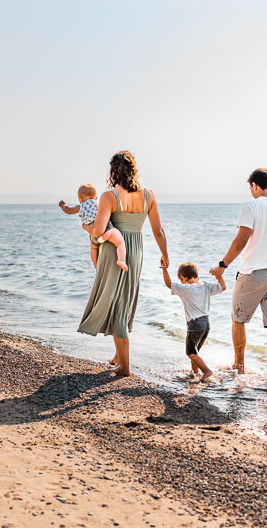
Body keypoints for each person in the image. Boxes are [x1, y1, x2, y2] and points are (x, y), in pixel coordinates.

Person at [78, 151, 169, 376]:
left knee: (116, 304)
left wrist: (87, 229)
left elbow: (99, 230)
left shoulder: (109, 196)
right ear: (134, 170)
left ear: (113, 171)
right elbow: (158, 231)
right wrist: (166, 256)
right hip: (136, 251)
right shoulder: (149, 195)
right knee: (124, 301)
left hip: (114, 251)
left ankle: (125, 367)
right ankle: (119, 356)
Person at [210, 168, 267, 381]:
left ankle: (239, 367)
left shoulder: (251, 206)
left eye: (250, 187)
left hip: (252, 274)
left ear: (255, 186)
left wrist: (223, 265)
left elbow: (240, 240)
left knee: (238, 320)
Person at [161, 260, 225, 382]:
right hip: (206, 324)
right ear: (197, 276)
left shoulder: (186, 288)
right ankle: (194, 372)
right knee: (195, 352)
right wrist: (219, 276)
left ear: (183, 278)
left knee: (190, 352)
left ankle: (206, 371)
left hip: (194, 324)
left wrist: (164, 269)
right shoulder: (206, 285)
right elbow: (223, 287)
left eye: (181, 280)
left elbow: (169, 284)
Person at [58, 184, 128, 271]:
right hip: (106, 230)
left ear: (80, 199)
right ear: (95, 198)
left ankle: (96, 265)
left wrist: (62, 206)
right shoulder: (99, 204)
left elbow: (68, 210)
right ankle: (121, 260)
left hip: (93, 237)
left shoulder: (80, 207)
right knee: (120, 243)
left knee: (93, 248)